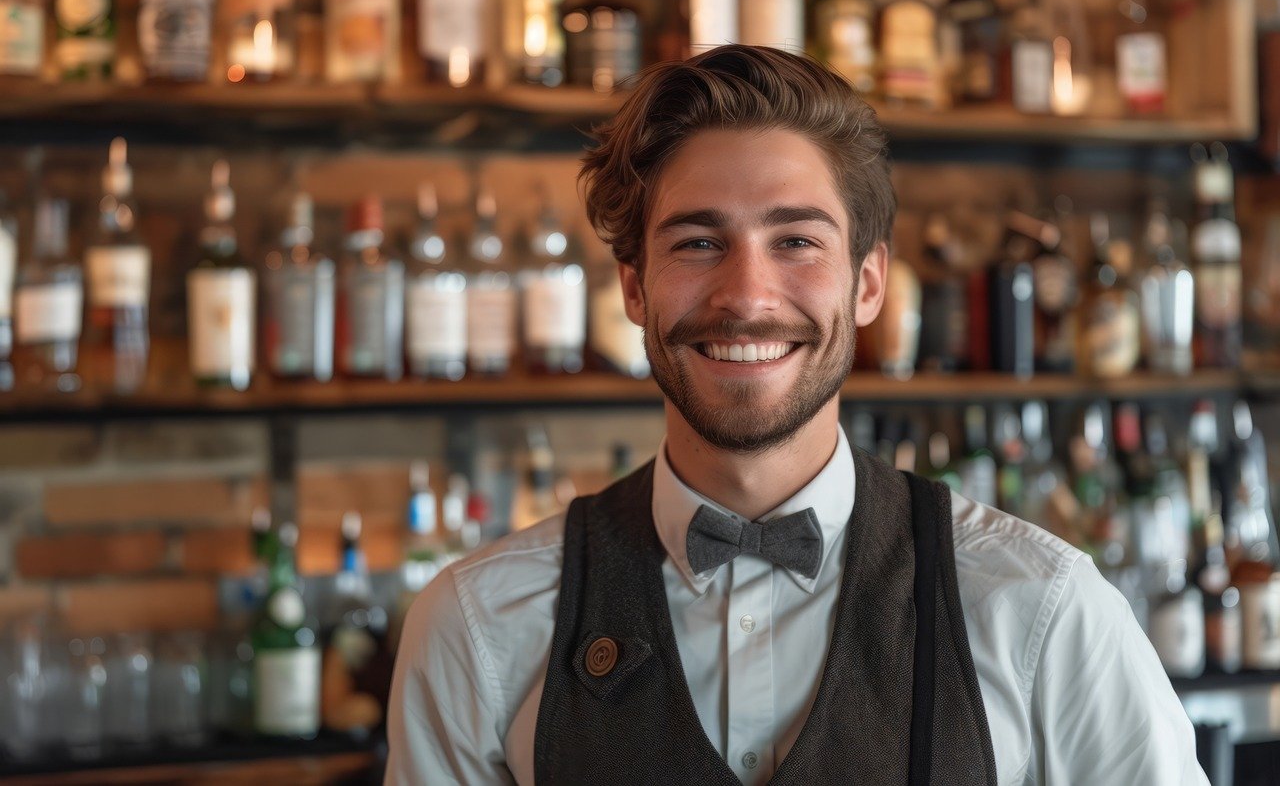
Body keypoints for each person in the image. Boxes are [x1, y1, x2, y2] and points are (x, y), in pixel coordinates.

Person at [386, 45, 1207, 785]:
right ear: (634, 287)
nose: (746, 296)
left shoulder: (1043, 611)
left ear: (869, 282)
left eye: (797, 242)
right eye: (699, 242)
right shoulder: (476, 629)